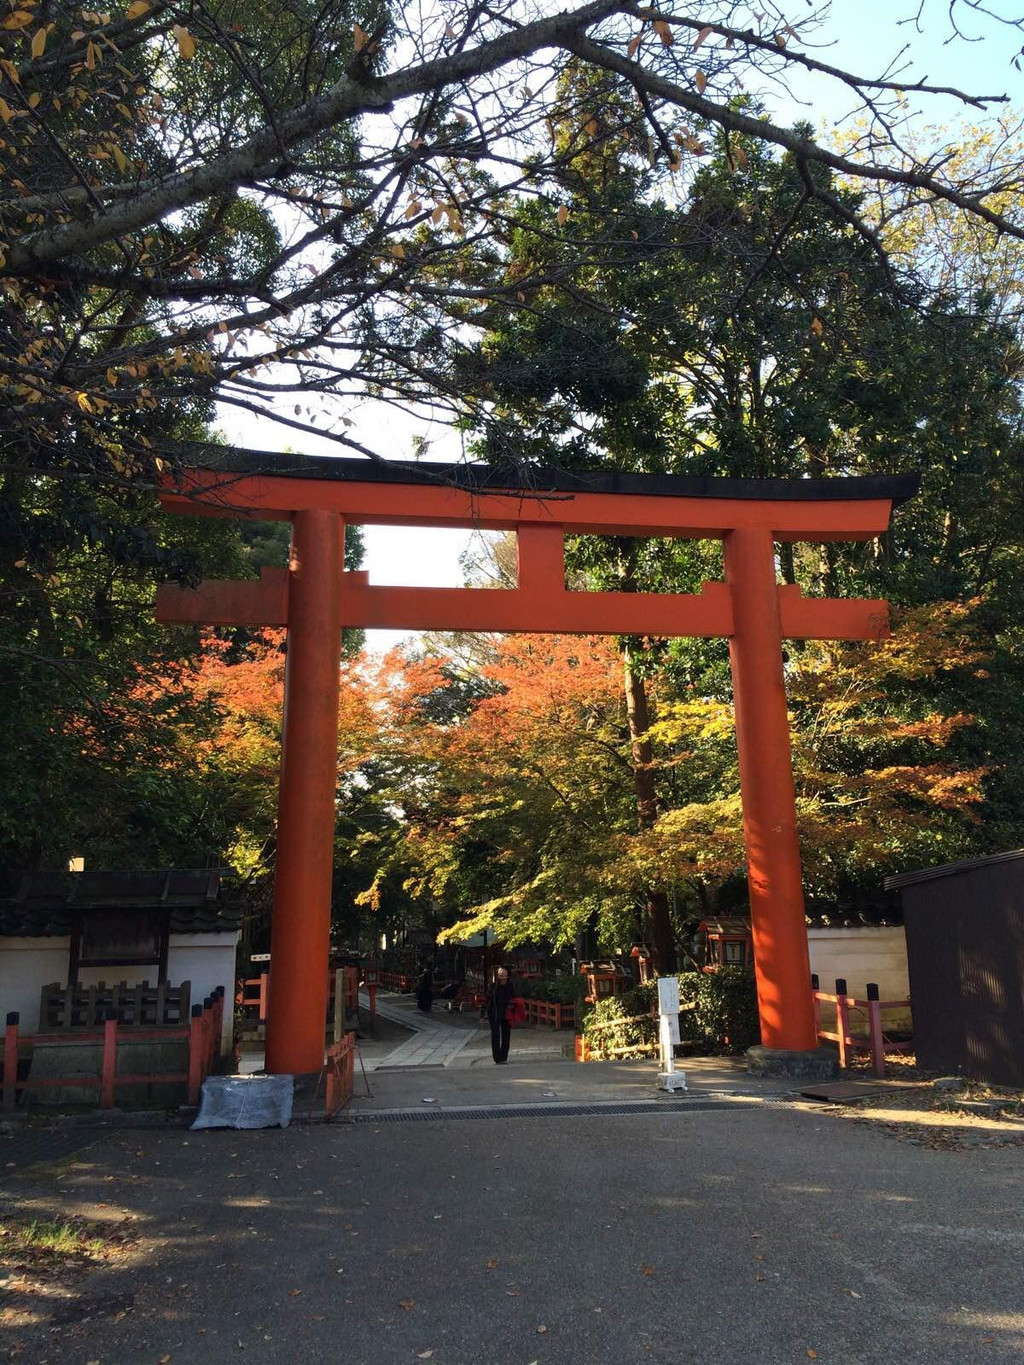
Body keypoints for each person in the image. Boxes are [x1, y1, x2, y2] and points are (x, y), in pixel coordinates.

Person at [485, 966, 524, 1064]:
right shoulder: (493, 986)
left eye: (503, 972)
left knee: (506, 1035)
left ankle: (503, 1056)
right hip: (494, 1012)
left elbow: (517, 997)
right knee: (495, 1035)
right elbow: (487, 1000)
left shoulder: (512, 985)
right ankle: (497, 1057)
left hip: (507, 1012)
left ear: (507, 974)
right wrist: (483, 1014)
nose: (501, 973)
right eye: (500, 972)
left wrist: (511, 1005)